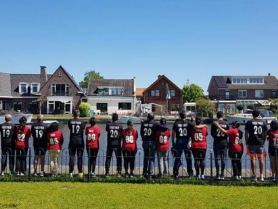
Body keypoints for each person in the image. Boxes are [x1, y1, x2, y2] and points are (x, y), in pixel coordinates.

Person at [172, 111, 206, 179]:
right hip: (186, 141)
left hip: (179, 141)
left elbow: (173, 133)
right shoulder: (188, 123)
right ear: (185, 116)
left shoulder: (176, 123)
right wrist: (204, 125)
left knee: (177, 157)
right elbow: (196, 127)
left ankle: (176, 173)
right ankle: (190, 173)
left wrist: (173, 142)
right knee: (188, 158)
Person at [245, 109, 267, 181]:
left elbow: (246, 133)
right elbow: (265, 132)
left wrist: (247, 141)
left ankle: (254, 175)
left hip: (252, 142)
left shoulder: (249, 122)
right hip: (260, 142)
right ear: (259, 114)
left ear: (252, 114)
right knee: (261, 159)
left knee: (253, 158)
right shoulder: (263, 122)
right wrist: (263, 140)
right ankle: (261, 175)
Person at [211, 111, 230, 180]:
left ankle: (217, 173)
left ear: (217, 116)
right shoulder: (226, 123)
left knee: (217, 158)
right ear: (222, 116)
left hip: (216, 142)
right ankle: (222, 173)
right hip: (224, 142)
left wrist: (216, 137)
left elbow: (212, 133)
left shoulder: (214, 123)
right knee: (223, 158)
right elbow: (228, 133)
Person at [140, 112, 159, 179]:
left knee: (145, 157)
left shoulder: (143, 123)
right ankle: (150, 173)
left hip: (145, 141)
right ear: (153, 117)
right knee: (151, 158)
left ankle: (144, 172)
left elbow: (141, 132)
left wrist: (143, 138)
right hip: (153, 141)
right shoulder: (155, 124)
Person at [68, 109, 86, 178]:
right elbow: (83, 129)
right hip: (80, 141)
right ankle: (80, 172)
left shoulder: (70, 121)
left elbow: (70, 128)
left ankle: (70, 172)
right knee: (80, 157)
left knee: (71, 157)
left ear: (74, 114)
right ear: (79, 114)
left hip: (72, 140)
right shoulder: (83, 122)